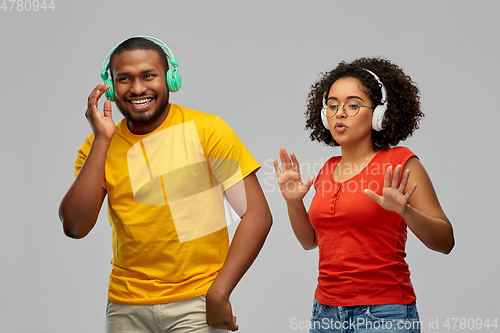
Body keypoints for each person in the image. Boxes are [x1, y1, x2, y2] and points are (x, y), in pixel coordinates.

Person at [59, 36, 272, 333]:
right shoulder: (97, 147)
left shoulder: (207, 131)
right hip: (125, 306)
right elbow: (75, 227)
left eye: (148, 75)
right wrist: (103, 140)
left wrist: (219, 293)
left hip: (198, 303)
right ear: (110, 86)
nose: (137, 89)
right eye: (124, 79)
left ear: (171, 78)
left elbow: (257, 215)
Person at [274, 57, 454, 333]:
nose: (340, 113)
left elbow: (445, 241)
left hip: (384, 315)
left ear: (379, 115)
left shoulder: (401, 163)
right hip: (326, 314)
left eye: (353, 105)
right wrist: (294, 202)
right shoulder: (327, 169)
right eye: (332, 106)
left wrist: (406, 211)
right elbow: (310, 241)